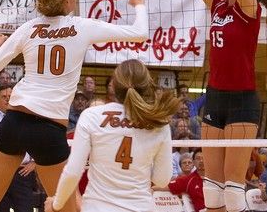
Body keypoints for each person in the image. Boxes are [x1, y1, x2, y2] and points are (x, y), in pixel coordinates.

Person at [0, 0, 148, 212]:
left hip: (14, 121)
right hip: (48, 129)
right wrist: (139, 3)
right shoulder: (82, 26)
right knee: (68, 209)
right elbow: (140, 33)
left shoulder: (27, 28)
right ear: (69, 2)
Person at [167, 0, 267, 212]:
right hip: (215, 97)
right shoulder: (218, 3)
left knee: (232, 188)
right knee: (212, 188)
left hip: (243, 101)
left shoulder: (250, 8)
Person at [44, 59, 178, 212]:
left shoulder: (91, 116)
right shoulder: (158, 123)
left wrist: (56, 205)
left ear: (113, 85)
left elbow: (73, 171)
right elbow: (161, 180)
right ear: (146, 86)